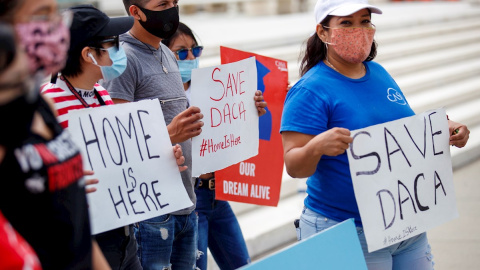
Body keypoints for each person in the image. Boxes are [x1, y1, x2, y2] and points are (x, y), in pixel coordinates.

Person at [280, 0, 470, 269]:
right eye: (346, 22)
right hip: (347, 231)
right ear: (323, 32)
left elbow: (401, 131)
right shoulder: (309, 90)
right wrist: (317, 146)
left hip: (406, 226)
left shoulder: (379, 73)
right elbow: (294, 166)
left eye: (365, 20)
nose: (359, 29)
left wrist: (443, 129)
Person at [0, 3, 109, 268]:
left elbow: (75, 222)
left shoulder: (41, 104)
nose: (57, 27)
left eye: (55, 13)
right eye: (41, 15)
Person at [162, 22, 257, 270]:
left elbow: (231, 127)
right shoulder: (164, 97)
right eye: (182, 52)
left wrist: (250, 109)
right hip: (192, 197)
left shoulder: (210, 89)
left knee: (241, 263)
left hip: (218, 194)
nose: (191, 57)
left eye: (196, 50)